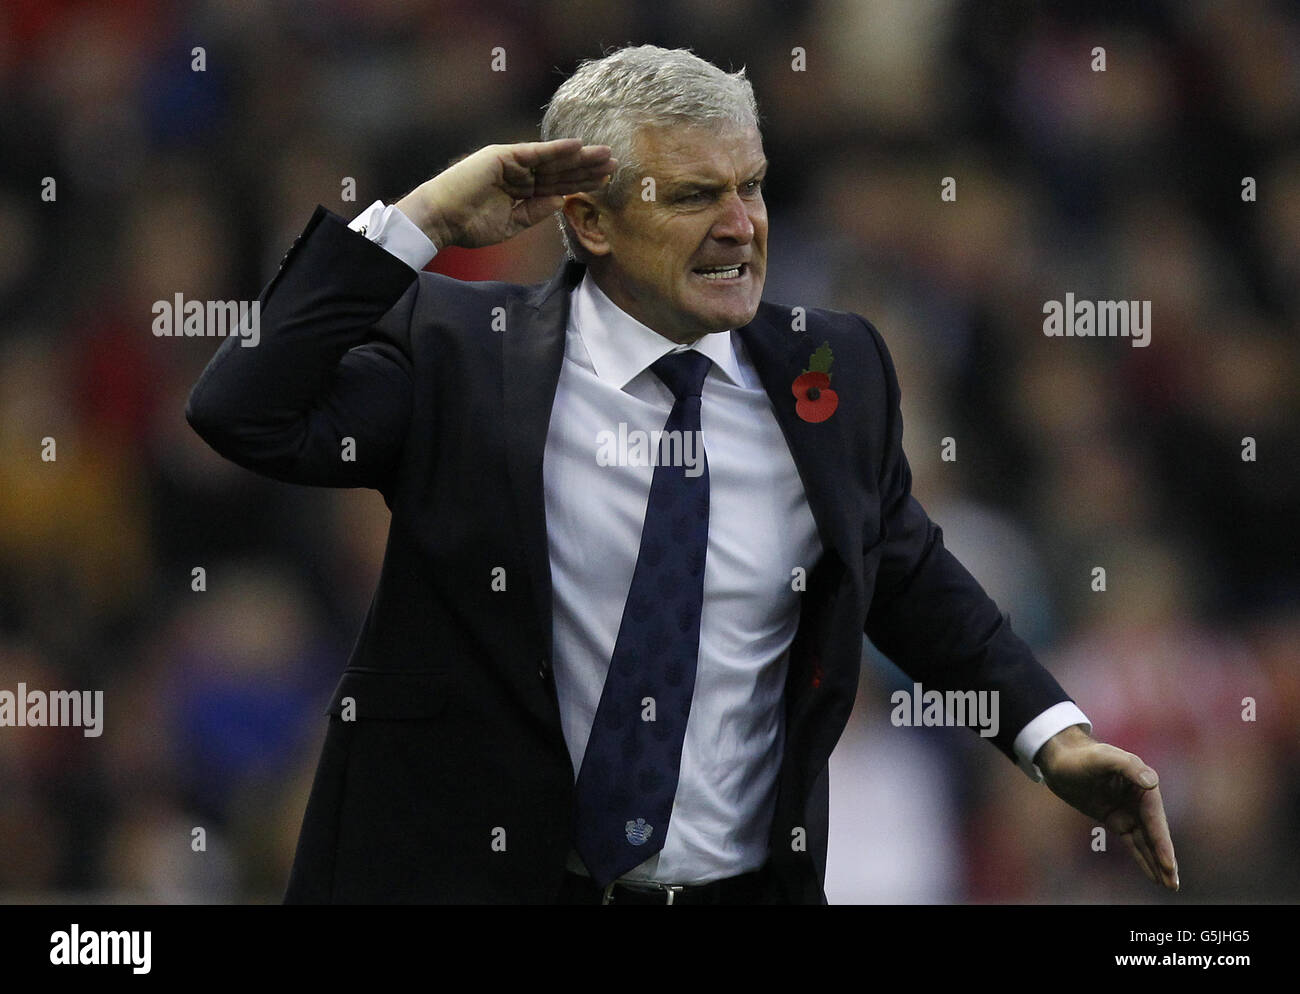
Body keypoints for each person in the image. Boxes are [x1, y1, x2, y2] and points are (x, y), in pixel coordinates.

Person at [185, 45, 1178, 904]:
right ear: (592, 220)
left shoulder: (834, 368)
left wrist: (1053, 735)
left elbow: (905, 572)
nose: (742, 223)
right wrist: (423, 219)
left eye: (749, 185)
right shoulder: (463, 353)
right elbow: (243, 408)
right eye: (695, 196)